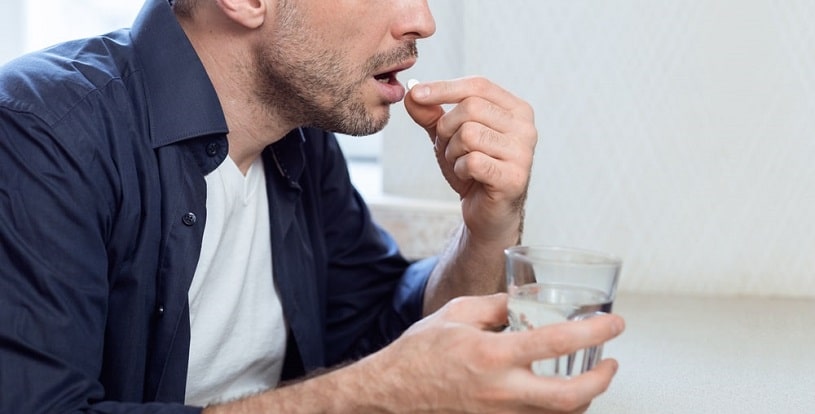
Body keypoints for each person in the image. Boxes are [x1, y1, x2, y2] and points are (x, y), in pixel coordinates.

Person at [0, 0, 625, 412]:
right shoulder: (40, 133)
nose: (423, 20)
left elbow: (387, 330)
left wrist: (487, 226)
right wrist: (381, 393)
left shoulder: (298, 136)